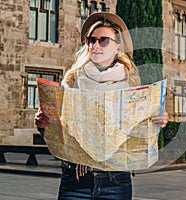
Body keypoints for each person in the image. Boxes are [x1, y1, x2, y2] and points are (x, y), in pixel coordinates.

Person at [34, 12, 169, 200]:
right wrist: (43, 125)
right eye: (91, 40)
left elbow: (138, 134)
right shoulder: (71, 80)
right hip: (76, 180)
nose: (95, 46)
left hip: (115, 181)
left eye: (103, 40)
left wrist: (157, 122)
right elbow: (59, 133)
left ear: (117, 47)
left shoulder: (132, 85)